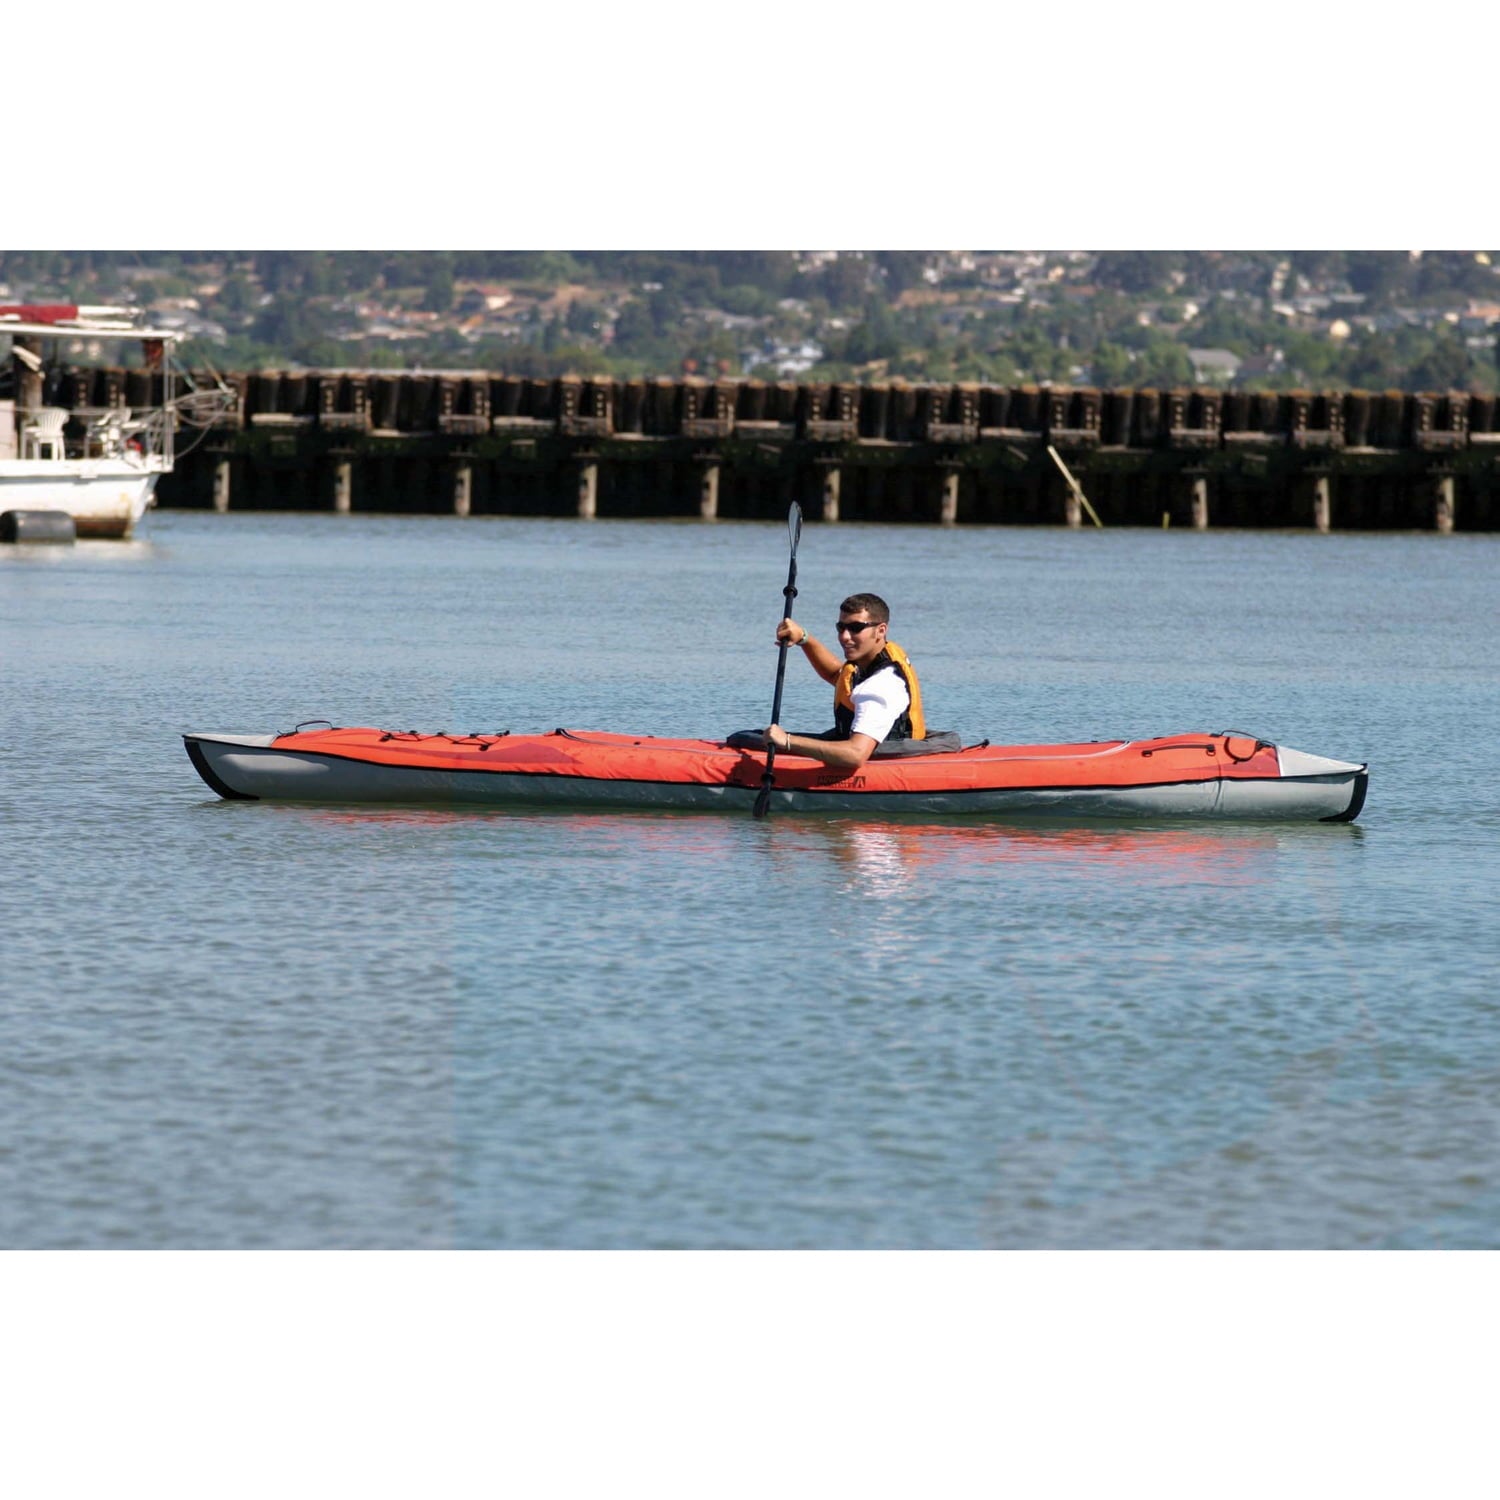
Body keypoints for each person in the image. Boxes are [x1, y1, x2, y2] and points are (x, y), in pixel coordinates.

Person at [765, 593, 927, 770]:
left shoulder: (882, 685)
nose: (844, 637)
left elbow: (855, 755)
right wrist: (804, 638)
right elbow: (837, 676)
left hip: (885, 770)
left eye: (856, 628)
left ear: (881, 630)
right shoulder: (872, 660)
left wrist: (787, 741)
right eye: (841, 627)